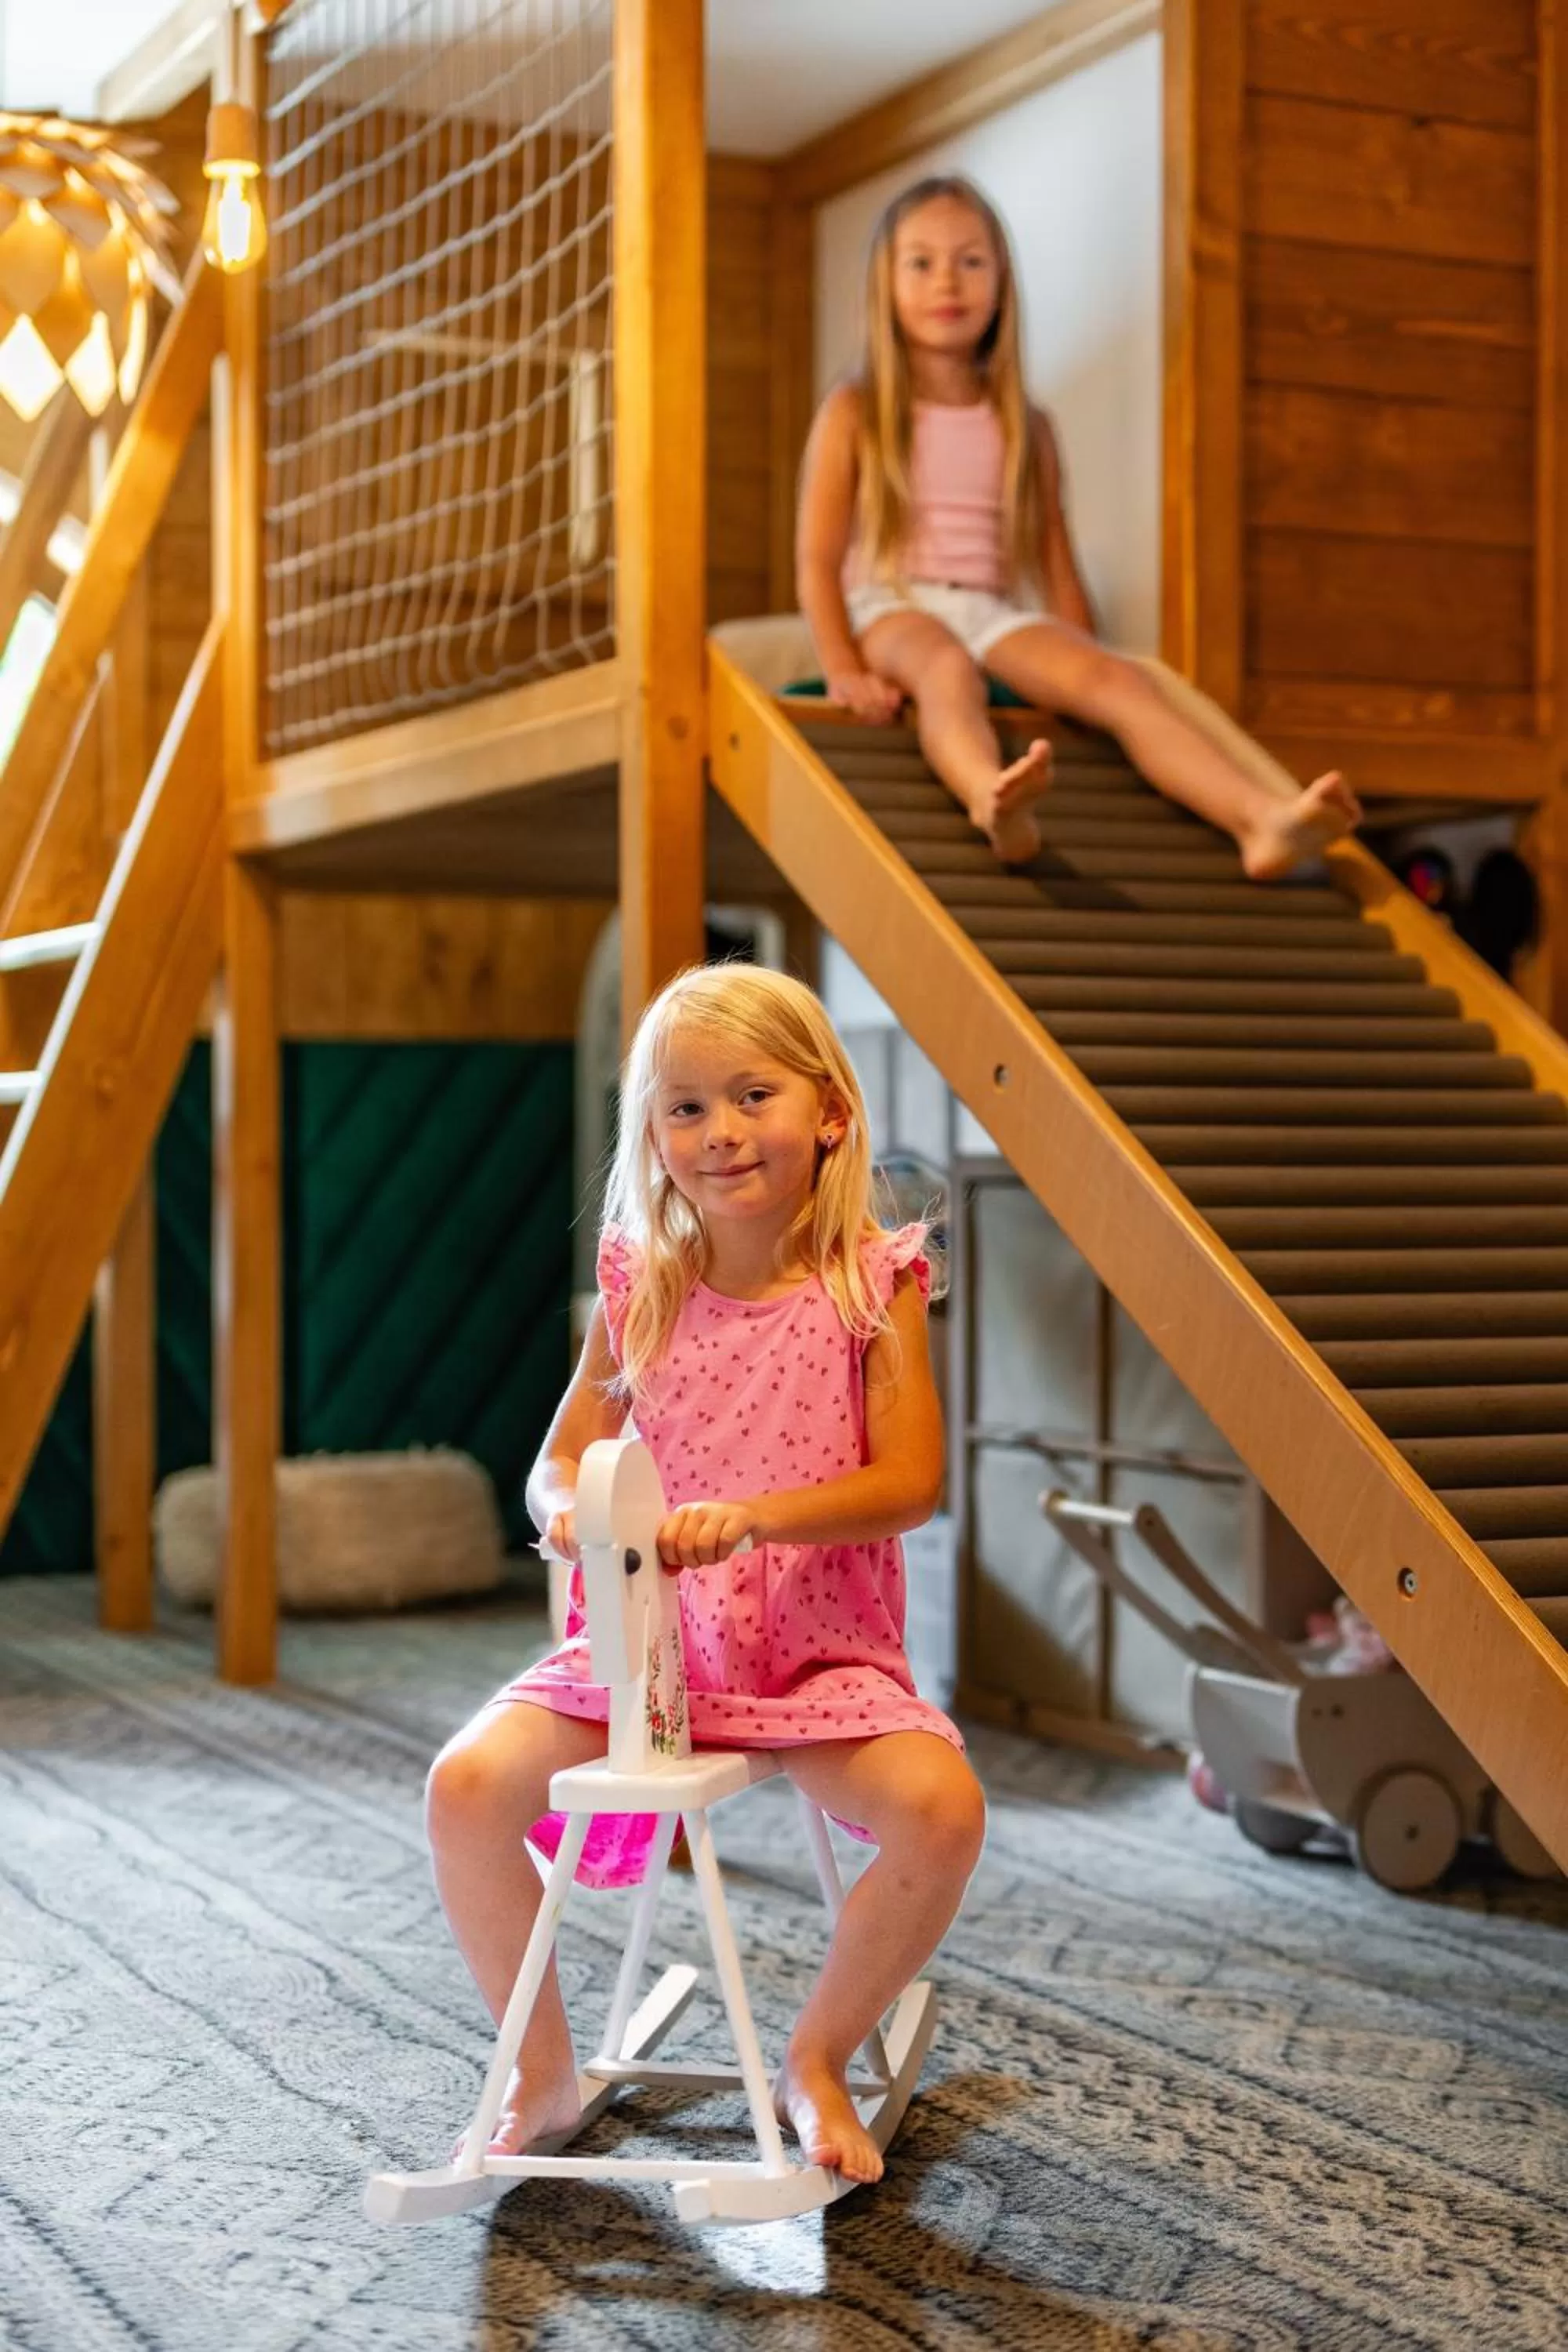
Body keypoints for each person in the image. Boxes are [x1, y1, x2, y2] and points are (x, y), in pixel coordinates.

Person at [425, 964, 984, 2186]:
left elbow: (909, 1484)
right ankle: (541, 2070)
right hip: (650, 1657)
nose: (720, 1131)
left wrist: (753, 1520)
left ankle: (817, 2054)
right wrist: (569, 1513)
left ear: (829, 1112)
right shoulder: (642, 1288)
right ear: (653, 1135)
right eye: (685, 1108)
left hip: (816, 1655)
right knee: (464, 1788)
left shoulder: (870, 1285)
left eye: (752, 1096)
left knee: (943, 1812)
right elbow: (555, 1462)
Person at [796, 172, 1362, 874]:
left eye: (971, 261)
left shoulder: (1026, 424)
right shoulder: (854, 410)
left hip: (989, 610)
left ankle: (1259, 820)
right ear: (884, 283)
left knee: (1120, 683)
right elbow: (817, 560)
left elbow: (1056, 565)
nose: (948, 281)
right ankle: (989, 798)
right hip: (891, 604)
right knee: (945, 670)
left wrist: (1083, 668)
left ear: (1003, 282)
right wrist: (843, 669)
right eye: (921, 262)